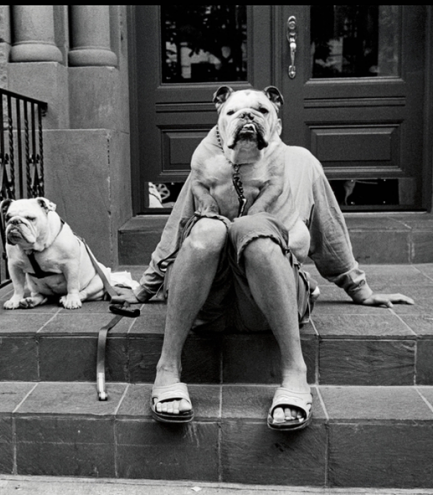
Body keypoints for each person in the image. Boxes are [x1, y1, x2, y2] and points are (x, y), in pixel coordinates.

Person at [117, 85, 413, 430]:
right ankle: (167, 366)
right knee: (208, 230)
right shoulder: (210, 163)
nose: (248, 119)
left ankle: (295, 372)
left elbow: (328, 231)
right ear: (220, 124)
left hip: (270, 298)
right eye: (235, 113)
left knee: (256, 232)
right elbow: (175, 231)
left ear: (278, 123)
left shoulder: (301, 162)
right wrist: (143, 289)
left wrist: (359, 289)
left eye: (260, 111)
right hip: (207, 302)